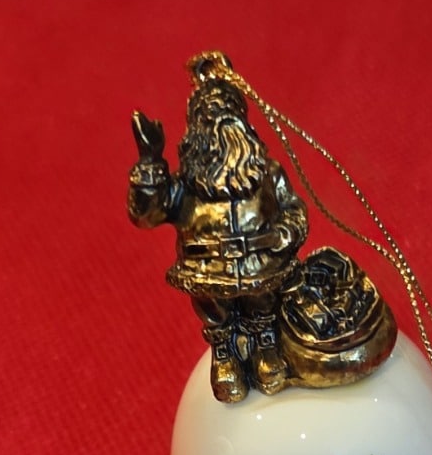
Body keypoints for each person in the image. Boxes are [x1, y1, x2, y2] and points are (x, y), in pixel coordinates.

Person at [127, 54, 308, 402]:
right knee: (215, 313)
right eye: (210, 115)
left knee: (262, 306)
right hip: (206, 270)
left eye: (229, 112)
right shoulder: (185, 187)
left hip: (259, 267)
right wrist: (150, 162)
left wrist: (284, 233)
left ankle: (266, 346)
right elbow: (147, 215)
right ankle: (225, 354)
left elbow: (293, 209)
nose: (221, 122)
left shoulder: (267, 174)